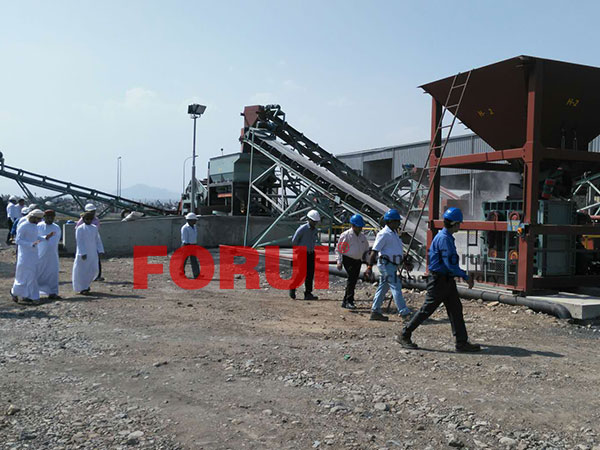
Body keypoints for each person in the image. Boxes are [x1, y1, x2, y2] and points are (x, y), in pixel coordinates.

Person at [397, 207, 481, 352]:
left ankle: (461, 342)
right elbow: (450, 264)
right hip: (439, 280)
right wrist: (466, 276)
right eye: (459, 223)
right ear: (454, 224)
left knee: (456, 309)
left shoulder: (445, 237)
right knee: (427, 309)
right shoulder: (444, 239)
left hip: (446, 280)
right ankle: (404, 334)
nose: (460, 226)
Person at [368, 209, 412, 321]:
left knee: (383, 287)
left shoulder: (393, 233)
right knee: (396, 287)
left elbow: (395, 250)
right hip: (385, 264)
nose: (399, 223)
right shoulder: (383, 234)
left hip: (391, 264)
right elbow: (374, 251)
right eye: (397, 221)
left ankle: (375, 311)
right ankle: (404, 313)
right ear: (390, 221)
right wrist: (369, 267)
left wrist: (404, 261)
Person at [11, 209, 54, 304]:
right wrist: (30, 244)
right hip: (25, 255)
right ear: (34, 217)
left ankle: (30, 295)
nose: (39, 221)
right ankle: (18, 292)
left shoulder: (34, 226)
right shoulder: (23, 226)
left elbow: (35, 238)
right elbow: (18, 240)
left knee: (32, 275)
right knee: (24, 276)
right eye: (38, 219)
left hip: (33, 254)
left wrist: (44, 238)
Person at [336, 214, 371, 309]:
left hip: (358, 261)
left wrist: (369, 264)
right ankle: (349, 301)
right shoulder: (346, 235)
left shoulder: (362, 237)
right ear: (353, 226)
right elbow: (339, 250)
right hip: (348, 259)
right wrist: (339, 261)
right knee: (351, 279)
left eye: (361, 226)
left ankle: (345, 301)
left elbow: (366, 251)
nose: (360, 228)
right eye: (359, 226)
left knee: (353, 280)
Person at [290, 210, 320, 301]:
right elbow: (294, 240)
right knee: (302, 272)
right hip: (302, 253)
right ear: (309, 219)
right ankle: (293, 286)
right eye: (313, 221)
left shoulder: (315, 230)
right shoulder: (302, 229)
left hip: (311, 253)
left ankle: (308, 293)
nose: (314, 223)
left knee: (310, 273)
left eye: (316, 222)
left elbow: (314, 241)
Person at [72, 211, 104, 295]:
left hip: (93, 252)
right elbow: (79, 241)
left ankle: (86, 285)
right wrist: (82, 253)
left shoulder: (94, 228)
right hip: (83, 253)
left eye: (90, 219)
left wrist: (100, 250)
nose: (88, 221)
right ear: (83, 219)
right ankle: (82, 287)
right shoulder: (80, 228)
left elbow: (98, 240)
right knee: (82, 270)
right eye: (87, 219)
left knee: (92, 269)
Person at [37, 209, 62, 299]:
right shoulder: (39, 226)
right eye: (48, 217)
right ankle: (36, 292)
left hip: (52, 255)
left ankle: (52, 292)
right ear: (44, 217)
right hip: (40, 254)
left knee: (53, 273)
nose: (50, 219)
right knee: (39, 272)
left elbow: (56, 240)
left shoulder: (56, 227)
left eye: (52, 217)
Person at [76, 203, 103, 281]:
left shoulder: (96, 221)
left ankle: (97, 276)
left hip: (92, 244)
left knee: (95, 261)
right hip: (85, 245)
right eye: (91, 211)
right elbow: (79, 237)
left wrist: (100, 249)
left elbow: (97, 236)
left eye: (93, 211)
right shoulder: (81, 223)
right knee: (84, 262)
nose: (93, 213)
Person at [181, 212, 200, 279]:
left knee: (194, 261)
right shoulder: (185, 228)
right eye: (194, 220)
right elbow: (185, 239)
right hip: (187, 245)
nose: (195, 221)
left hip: (193, 245)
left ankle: (196, 275)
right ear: (190, 220)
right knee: (183, 261)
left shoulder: (194, 227)